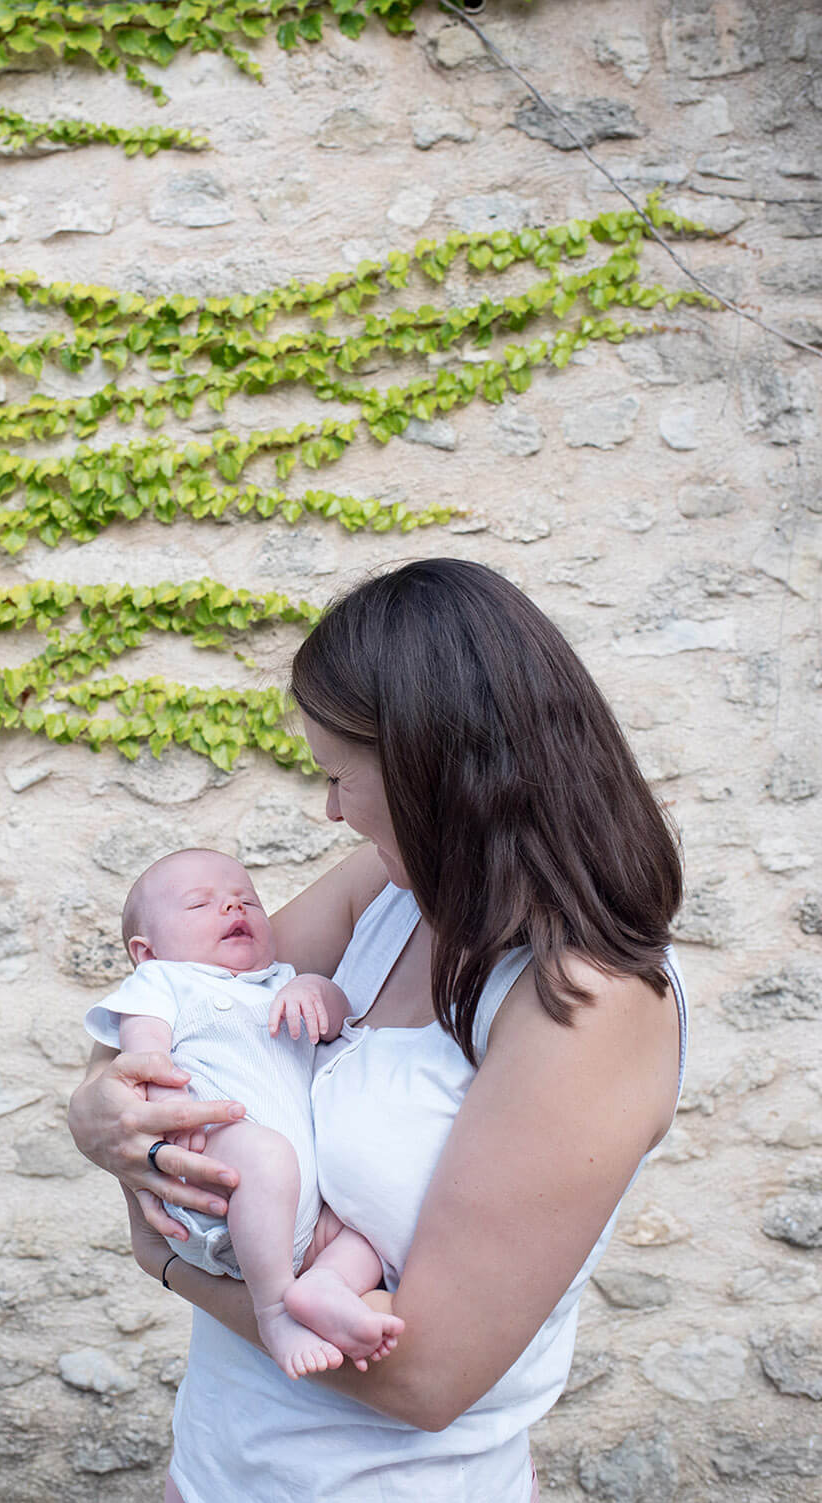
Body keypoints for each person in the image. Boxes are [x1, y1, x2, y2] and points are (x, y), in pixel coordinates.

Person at [68, 558, 689, 1503]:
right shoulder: (388, 893)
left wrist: (163, 1263)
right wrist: (95, 1103)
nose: (330, 810)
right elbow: (193, 998)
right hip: (220, 1468)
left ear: (433, 771)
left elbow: (427, 1375)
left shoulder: (587, 1002)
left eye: (336, 775)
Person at [82, 847, 404, 1378]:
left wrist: (315, 990)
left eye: (245, 900)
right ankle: (275, 1307)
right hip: (213, 1166)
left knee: (369, 1223)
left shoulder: (280, 982)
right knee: (264, 1151)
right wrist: (168, 1105)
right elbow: (144, 1054)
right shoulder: (163, 984)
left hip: (298, 1208)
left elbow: (335, 1016)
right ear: (147, 951)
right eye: (200, 904)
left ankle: (328, 1283)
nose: (233, 910)